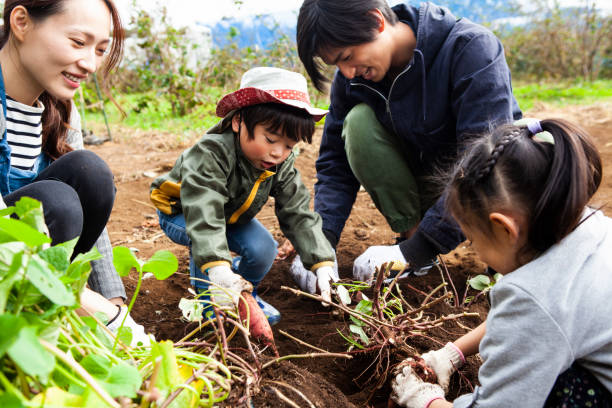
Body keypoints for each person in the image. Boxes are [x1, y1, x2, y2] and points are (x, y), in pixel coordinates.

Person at [290, 0, 522, 290]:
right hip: (423, 185)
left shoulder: (469, 48)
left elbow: (484, 164)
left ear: (376, 21)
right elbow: (335, 164)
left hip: (488, 188)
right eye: (337, 64)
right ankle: (416, 245)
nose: (347, 72)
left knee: (510, 258)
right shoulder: (352, 80)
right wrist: (320, 244)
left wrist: (412, 252)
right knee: (358, 122)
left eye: (347, 56)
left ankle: (428, 251)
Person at [391, 119, 612, 407]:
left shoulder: (535, 298)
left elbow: (534, 313)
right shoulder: (589, 228)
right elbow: (541, 318)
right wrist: (452, 353)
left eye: (472, 239)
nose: (476, 252)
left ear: (505, 229)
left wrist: (424, 399)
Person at [0, 0, 149, 346]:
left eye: (100, 50)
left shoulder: (61, 108)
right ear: (21, 22)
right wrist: (84, 302)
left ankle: (43, 313)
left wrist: (112, 304)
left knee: (90, 172)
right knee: (56, 202)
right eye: (78, 42)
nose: (90, 64)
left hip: (24, 262)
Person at [150, 67, 339, 325]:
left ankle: (245, 294)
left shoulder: (280, 165)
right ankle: (210, 304)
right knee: (207, 247)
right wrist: (218, 267)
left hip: (229, 214)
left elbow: (298, 215)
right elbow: (204, 212)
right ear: (238, 121)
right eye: (271, 139)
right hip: (182, 212)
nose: (278, 153)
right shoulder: (211, 153)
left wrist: (323, 264)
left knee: (264, 248)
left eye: (288, 145)